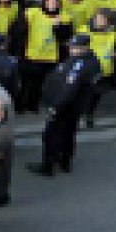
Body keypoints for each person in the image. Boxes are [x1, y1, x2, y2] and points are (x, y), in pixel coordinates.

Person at [27, 34, 100, 176]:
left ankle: (48, 165)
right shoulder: (88, 61)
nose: (71, 49)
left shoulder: (81, 65)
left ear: (84, 48)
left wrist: (56, 106)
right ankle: (65, 161)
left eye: (75, 47)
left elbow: (70, 89)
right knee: (68, 133)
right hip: (75, 105)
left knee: (50, 134)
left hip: (66, 106)